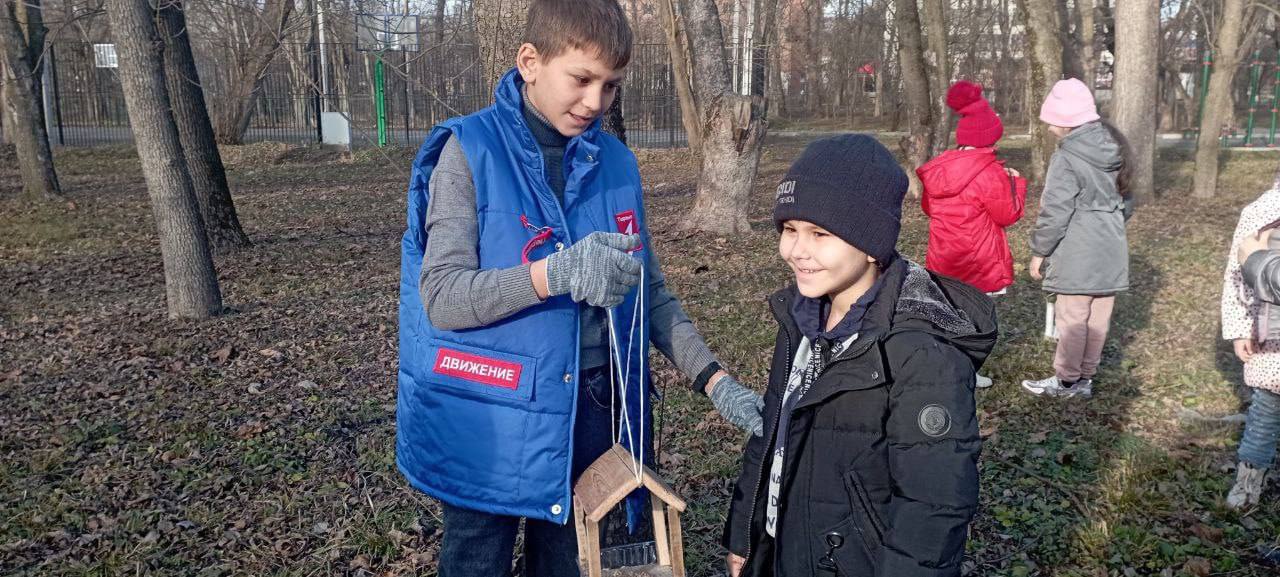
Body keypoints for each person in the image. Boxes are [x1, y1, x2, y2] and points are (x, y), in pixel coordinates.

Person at [396, 1, 763, 574]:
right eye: (582, 79)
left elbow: (649, 292)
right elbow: (443, 297)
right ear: (530, 62)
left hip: (596, 403)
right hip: (491, 411)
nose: (596, 102)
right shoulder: (469, 151)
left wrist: (714, 381)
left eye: (611, 86)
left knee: (571, 560)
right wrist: (556, 273)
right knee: (477, 558)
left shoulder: (615, 162)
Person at [722, 135, 996, 577]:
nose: (797, 250)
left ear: (871, 244)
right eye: (789, 230)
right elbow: (769, 434)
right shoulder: (802, 318)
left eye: (820, 234)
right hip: (787, 550)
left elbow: (935, 504)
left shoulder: (921, 353)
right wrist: (745, 535)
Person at [1021, 78, 1132, 399]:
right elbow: (1128, 199)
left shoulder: (1067, 156)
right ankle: (1084, 378)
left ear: (1064, 120)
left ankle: (1067, 382)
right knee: (1098, 318)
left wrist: (1039, 251)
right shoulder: (1115, 147)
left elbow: (1055, 210)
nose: (1047, 126)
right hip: (1112, 246)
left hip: (1077, 250)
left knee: (1072, 318)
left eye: (1050, 120)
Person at [917, 80, 1027, 388]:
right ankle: (964, 371)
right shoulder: (990, 173)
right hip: (978, 260)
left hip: (945, 257)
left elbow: (929, 208)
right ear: (988, 139)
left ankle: (944, 365)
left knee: (948, 313)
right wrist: (1015, 184)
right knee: (976, 318)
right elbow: (1009, 215)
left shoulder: (939, 168)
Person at [1221, 184, 1280, 509]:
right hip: (1273, 339)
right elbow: (1237, 274)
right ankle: (1248, 482)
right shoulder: (1262, 210)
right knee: (1267, 412)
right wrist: (1239, 327)